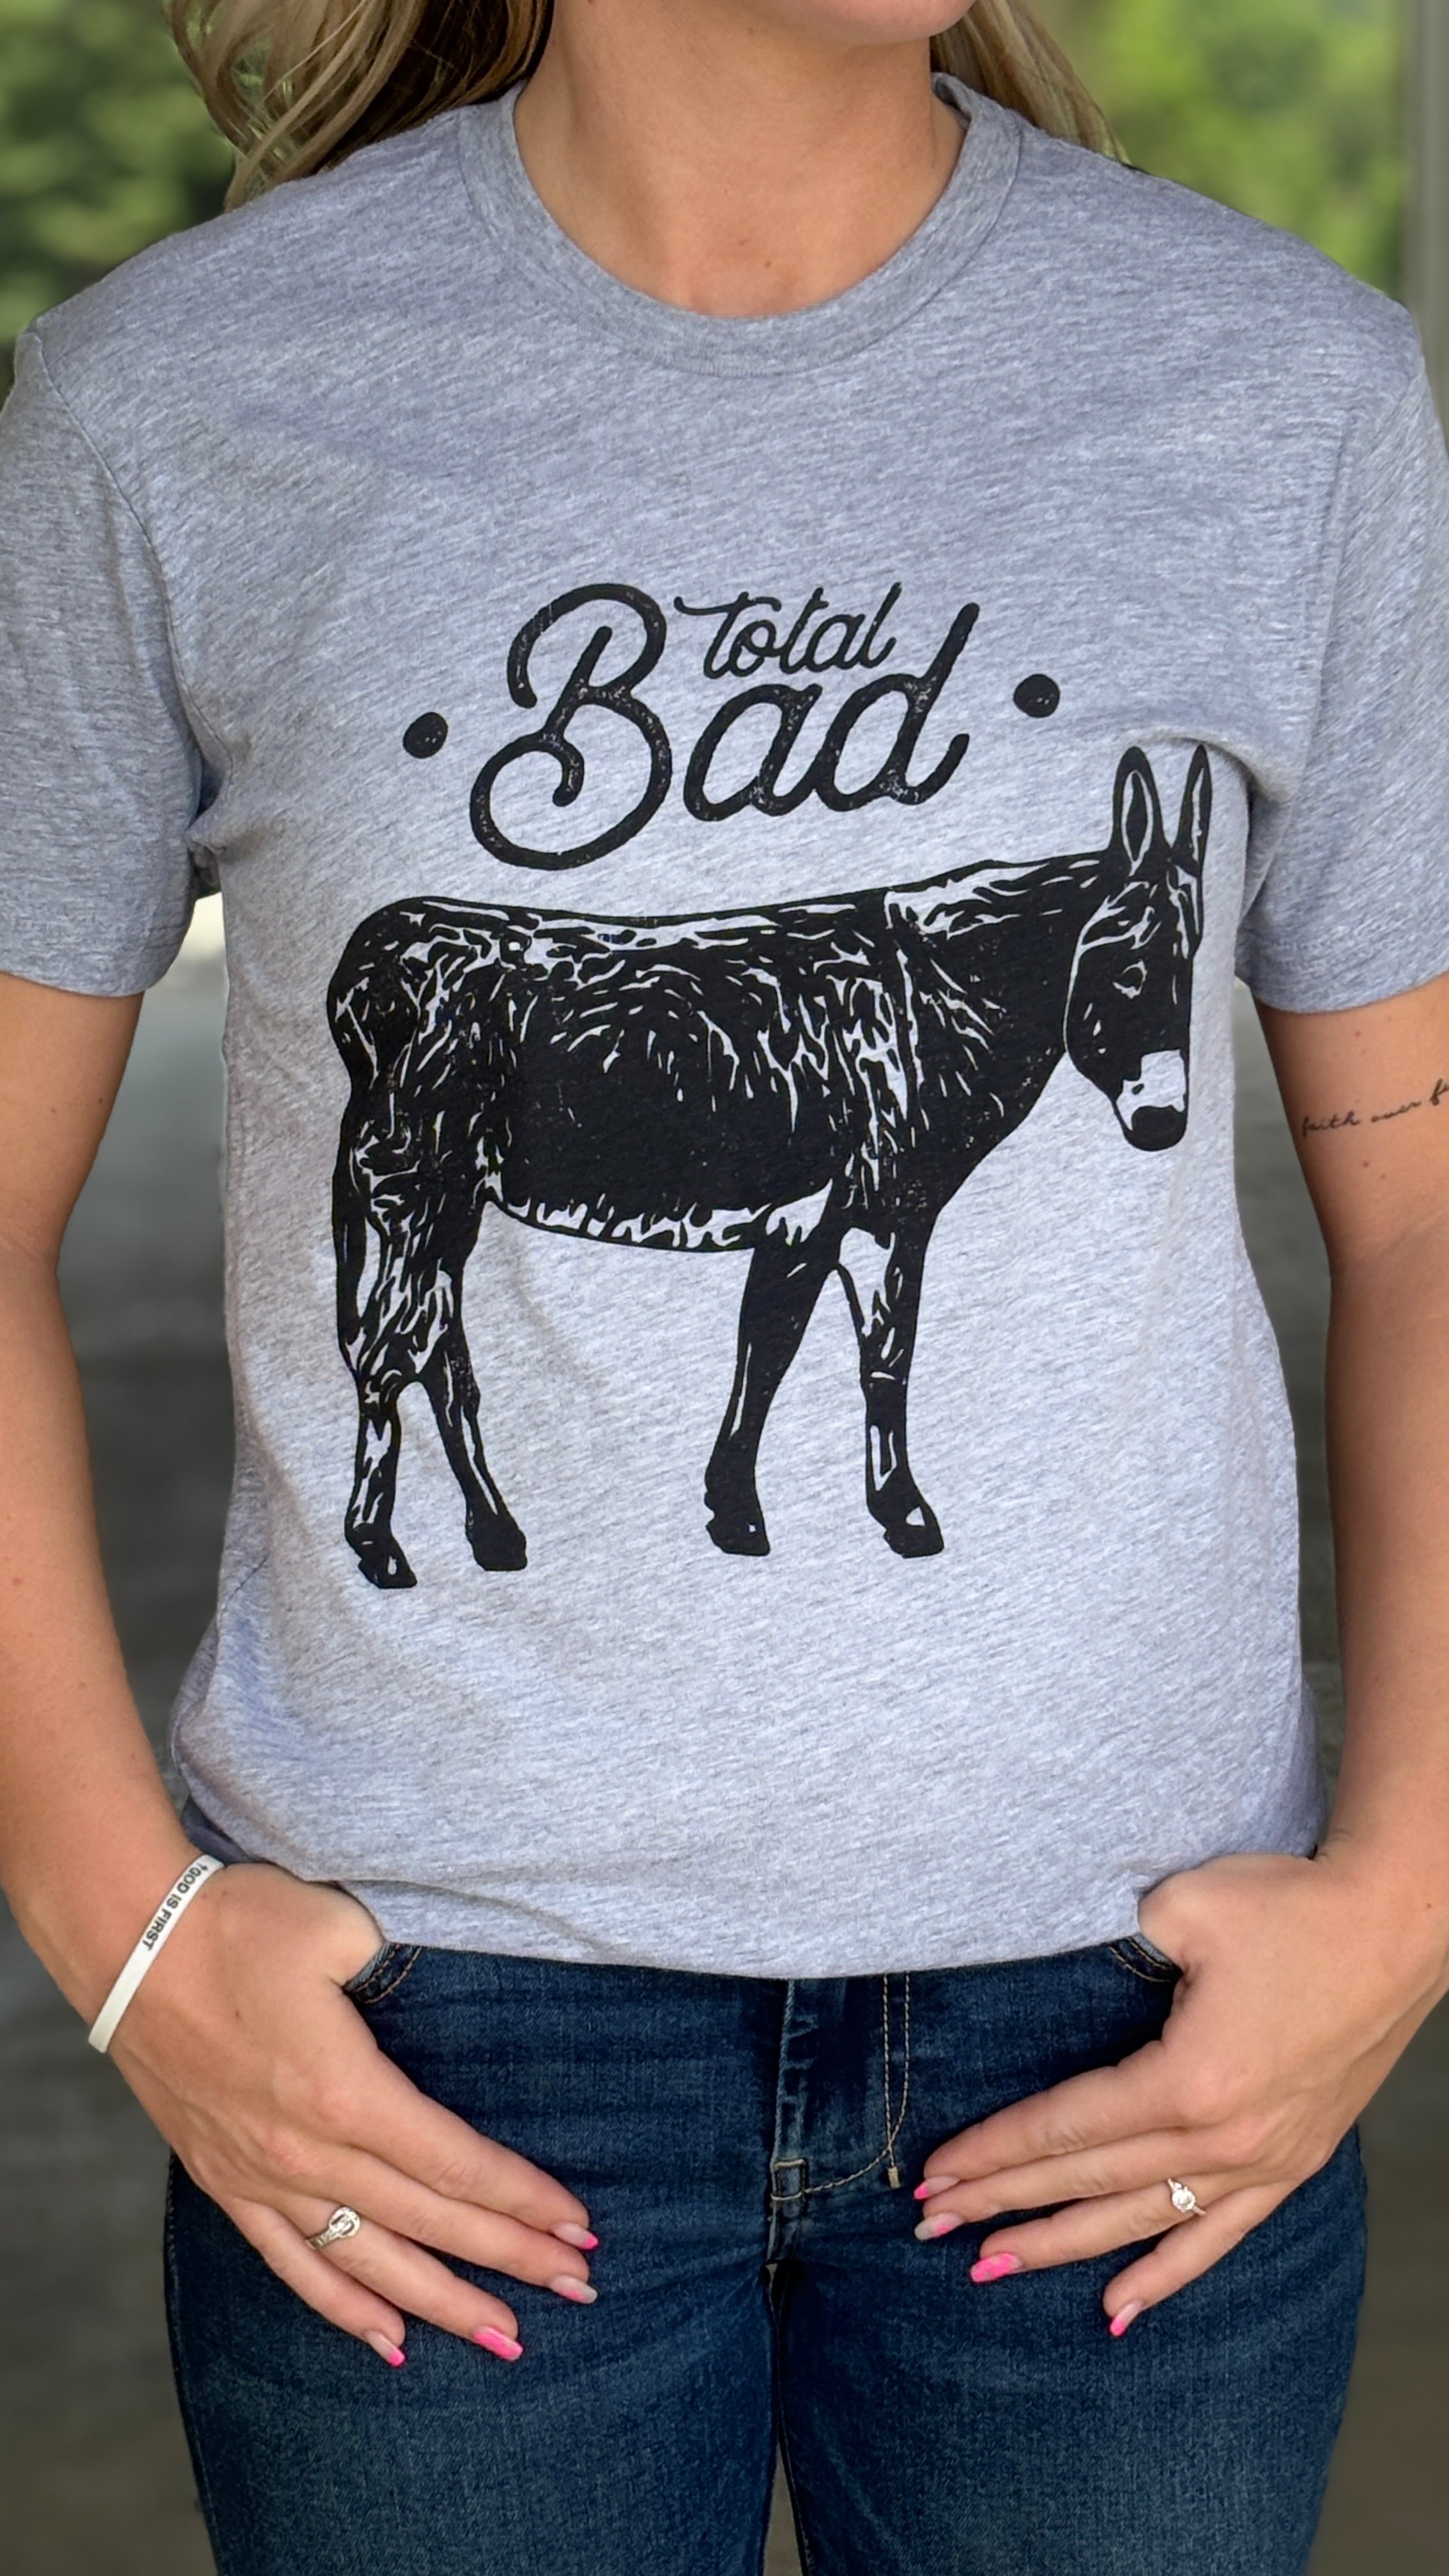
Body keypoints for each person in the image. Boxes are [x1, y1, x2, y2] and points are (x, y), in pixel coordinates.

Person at [2, 1, 1448, 2568]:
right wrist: (118, 1924)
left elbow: (1422, 1211)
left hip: (1131, 2006)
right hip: (429, 2022)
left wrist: (1410, 1895)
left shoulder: (1285, 391)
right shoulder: (175, 405)